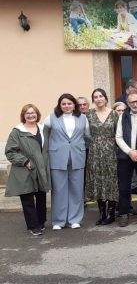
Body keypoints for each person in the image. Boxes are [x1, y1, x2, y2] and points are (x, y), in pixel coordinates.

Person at [45, 93, 89, 230]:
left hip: (77, 157)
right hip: (57, 157)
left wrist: (79, 149)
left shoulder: (82, 118)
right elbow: (45, 136)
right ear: (59, 105)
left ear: (74, 105)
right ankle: (58, 221)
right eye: (63, 104)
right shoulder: (51, 117)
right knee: (59, 190)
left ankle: (74, 219)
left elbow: (87, 137)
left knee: (76, 189)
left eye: (69, 103)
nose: (67, 106)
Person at [5, 104, 51, 235]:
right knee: (27, 199)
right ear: (23, 115)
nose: (31, 115)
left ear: (37, 114)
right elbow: (10, 151)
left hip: (40, 169)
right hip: (24, 169)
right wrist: (25, 161)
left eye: (33, 112)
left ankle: (41, 222)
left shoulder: (43, 129)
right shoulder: (17, 132)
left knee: (41, 196)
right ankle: (33, 226)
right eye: (28, 113)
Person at [85, 88, 119, 225]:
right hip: (95, 151)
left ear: (105, 98)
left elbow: (119, 133)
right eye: (96, 97)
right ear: (93, 100)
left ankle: (111, 213)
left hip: (111, 151)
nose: (98, 99)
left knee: (111, 180)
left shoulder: (115, 114)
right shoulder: (88, 115)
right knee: (98, 180)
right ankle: (102, 212)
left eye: (101, 96)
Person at [115, 92, 137, 227]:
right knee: (124, 186)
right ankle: (124, 213)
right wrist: (130, 152)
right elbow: (118, 137)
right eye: (132, 102)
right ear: (128, 103)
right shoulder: (123, 116)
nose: (135, 104)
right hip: (125, 156)